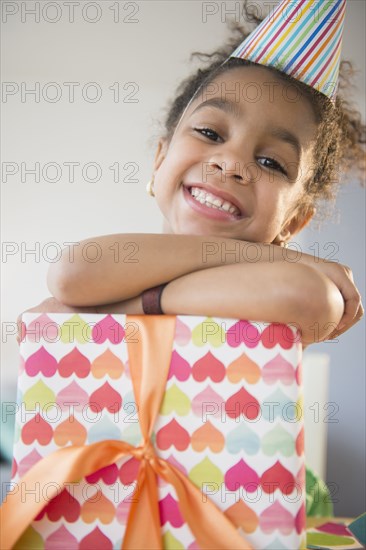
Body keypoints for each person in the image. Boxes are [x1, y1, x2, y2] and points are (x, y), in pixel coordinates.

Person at [17, 0, 364, 521]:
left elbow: (306, 297)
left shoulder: (291, 288)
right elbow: (71, 273)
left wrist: (112, 311)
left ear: (293, 224)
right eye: (210, 132)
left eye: (270, 162)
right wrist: (251, 253)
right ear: (159, 163)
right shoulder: (106, 262)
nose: (231, 162)